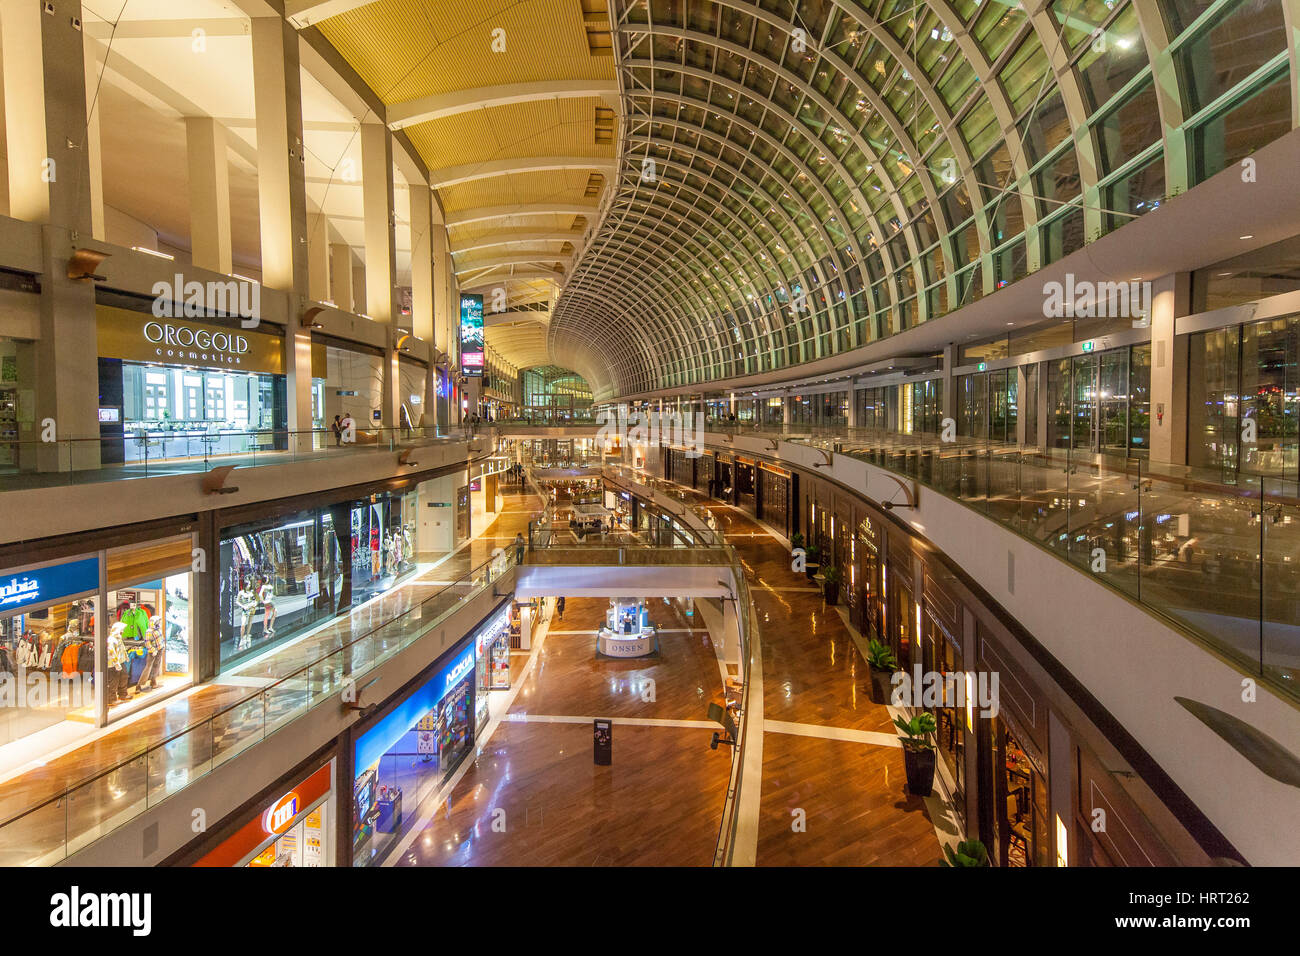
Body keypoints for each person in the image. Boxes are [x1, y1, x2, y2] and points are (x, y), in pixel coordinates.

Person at [137, 618, 164, 692]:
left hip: (159, 649)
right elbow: (147, 642)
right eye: (159, 621)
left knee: (156, 665)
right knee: (148, 666)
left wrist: (162, 647)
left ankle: (153, 681)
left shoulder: (158, 629)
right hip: (153, 651)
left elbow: (160, 639)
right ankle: (139, 685)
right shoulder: (149, 631)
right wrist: (153, 650)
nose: (160, 622)